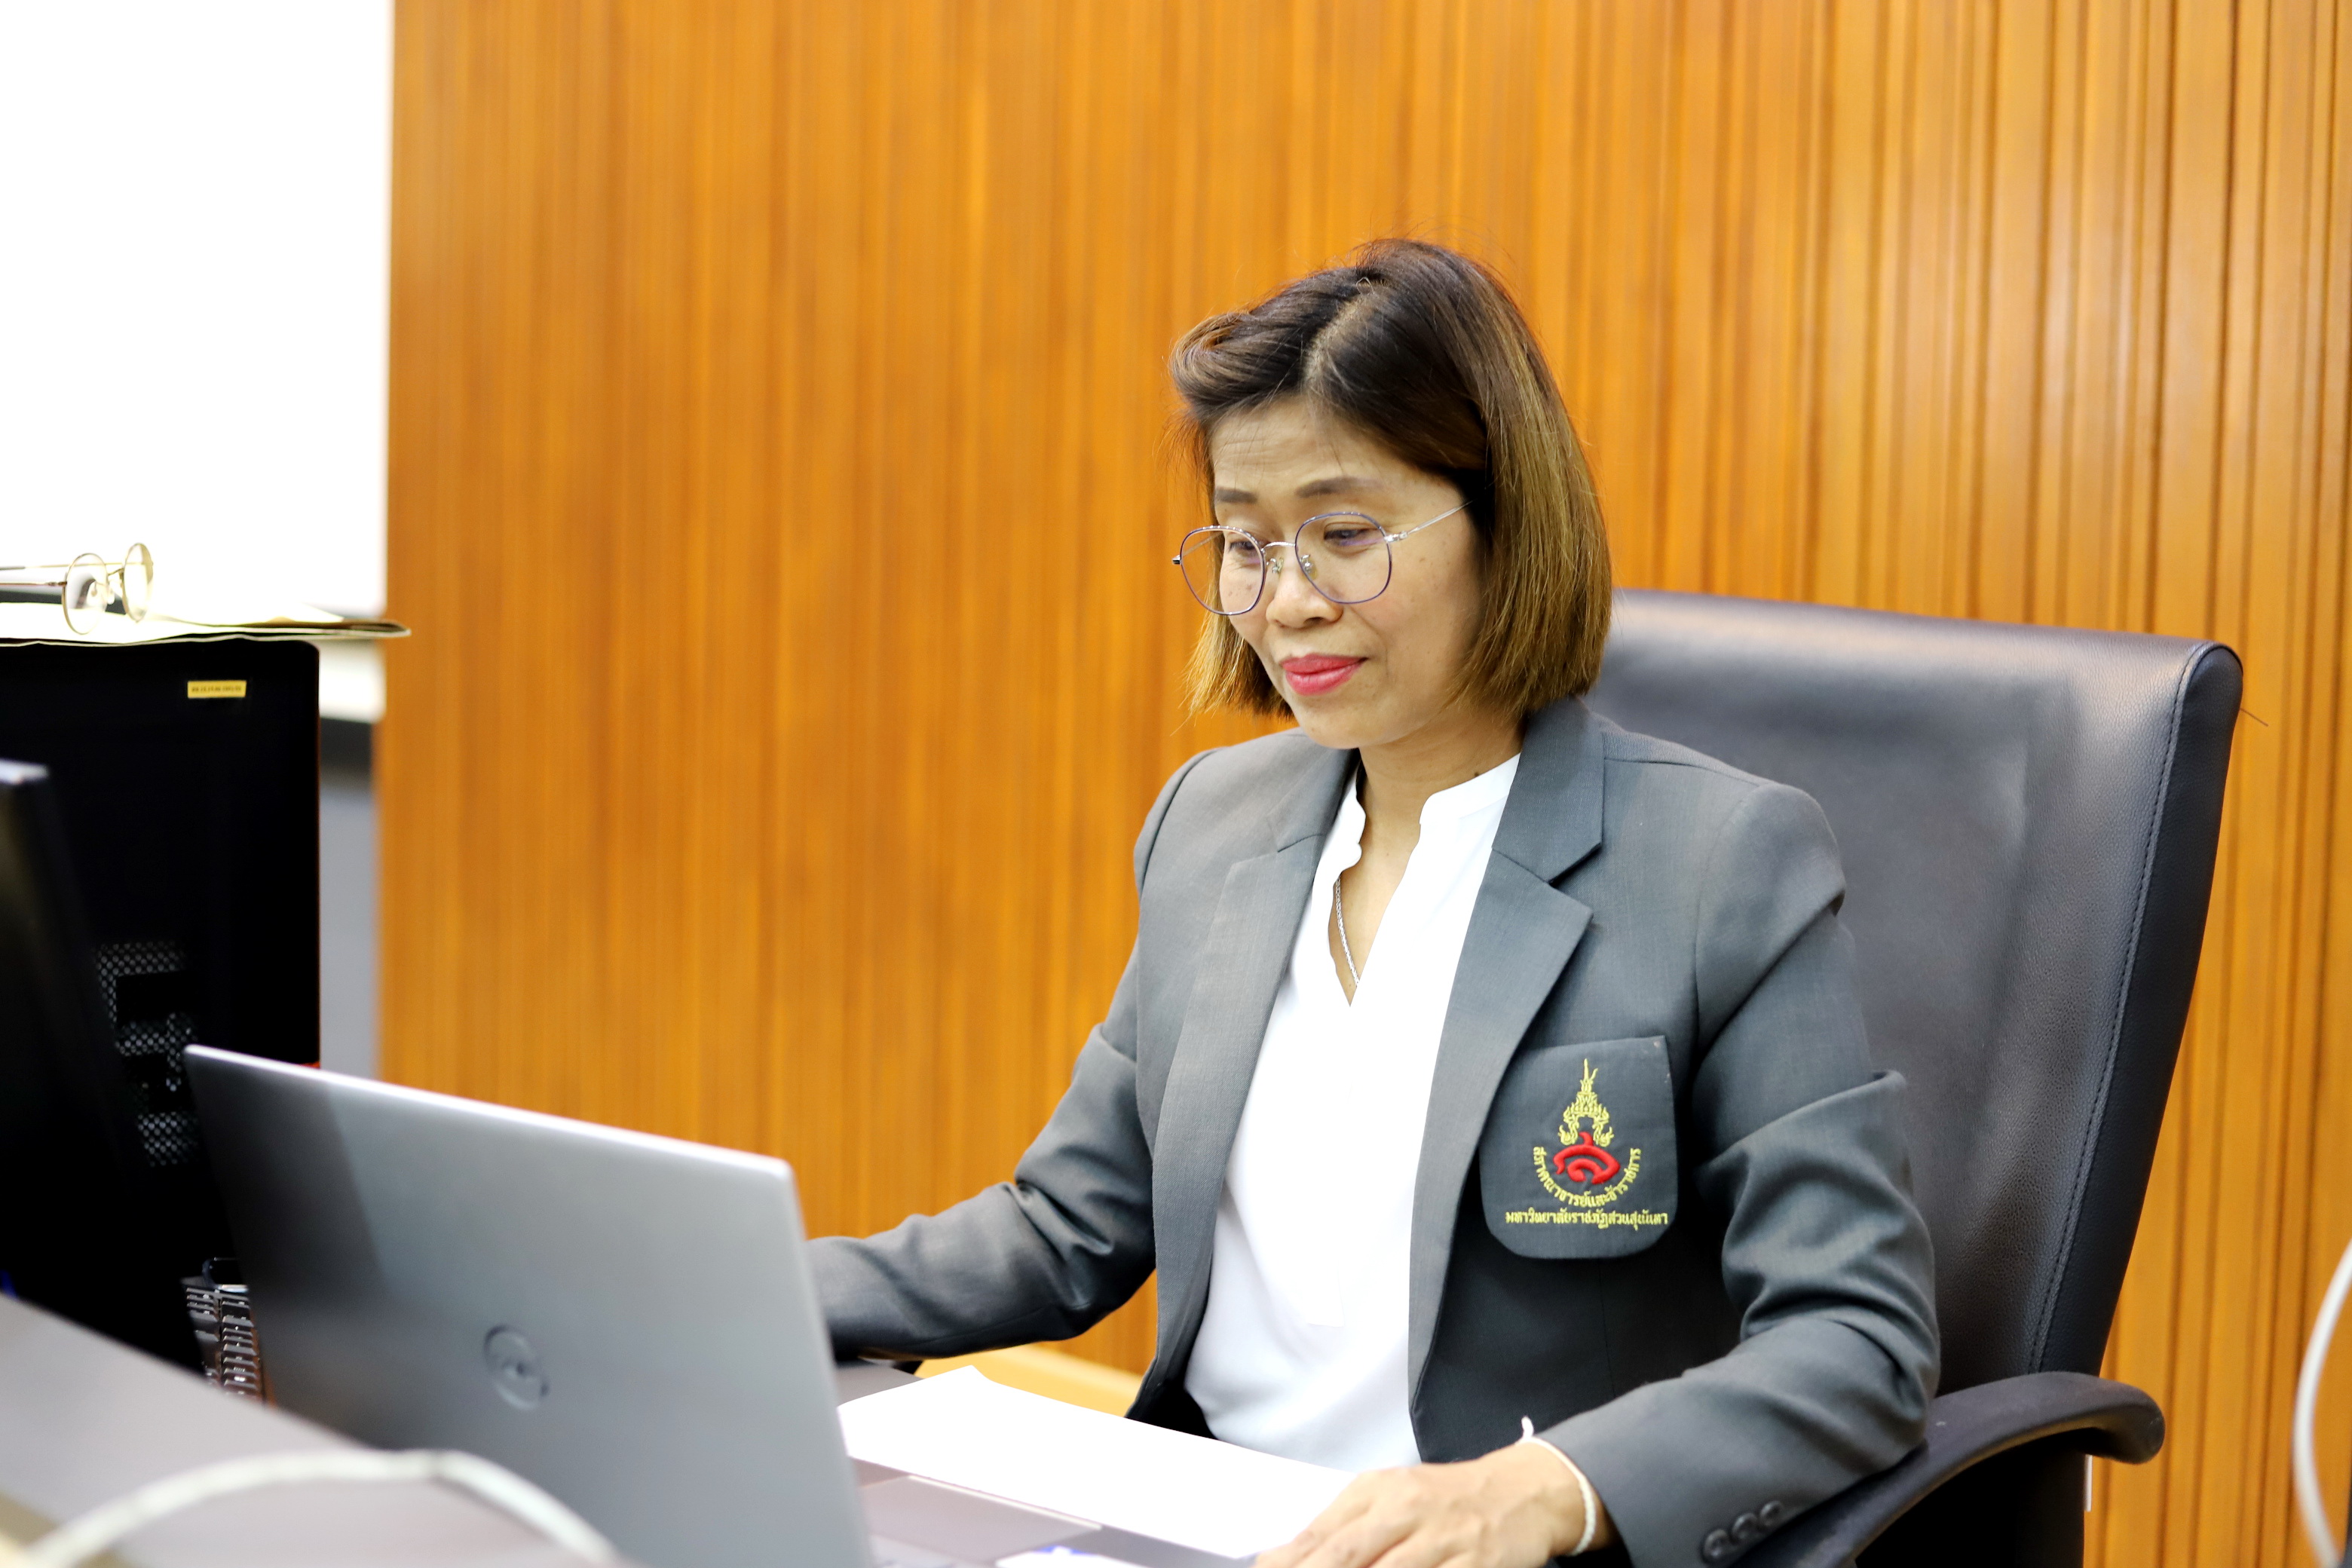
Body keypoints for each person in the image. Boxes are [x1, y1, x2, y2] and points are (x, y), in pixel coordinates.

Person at [812, 240, 1938, 1568]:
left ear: (1504, 524)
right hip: (1198, 1528)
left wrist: (1541, 1491)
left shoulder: (1718, 862)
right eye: (1245, 542)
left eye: (1344, 537)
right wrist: (746, 1284)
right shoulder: (1210, 825)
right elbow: (1068, 1229)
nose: (1286, 602)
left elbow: (1857, 1337)